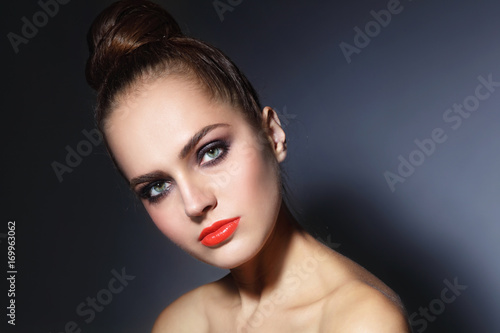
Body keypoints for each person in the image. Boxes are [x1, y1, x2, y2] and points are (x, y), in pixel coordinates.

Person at [85, 0, 411, 331]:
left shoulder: (361, 321)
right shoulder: (179, 324)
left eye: (210, 152)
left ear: (272, 134)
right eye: (157, 187)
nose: (195, 203)